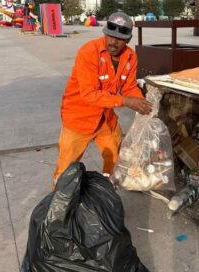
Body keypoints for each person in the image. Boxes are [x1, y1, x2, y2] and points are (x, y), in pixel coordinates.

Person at [52, 12, 153, 188]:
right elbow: (89, 94)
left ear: (128, 39)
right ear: (105, 33)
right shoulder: (89, 52)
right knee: (67, 168)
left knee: (115, 156)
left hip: (105, 118)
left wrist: (142, 103)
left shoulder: (130, 57)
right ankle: (59, 202)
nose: (113, 42)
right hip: (78, 118)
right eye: (110, 36)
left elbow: (129, 87)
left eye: (120, 39)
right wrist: (126, 101)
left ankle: (108, 186)